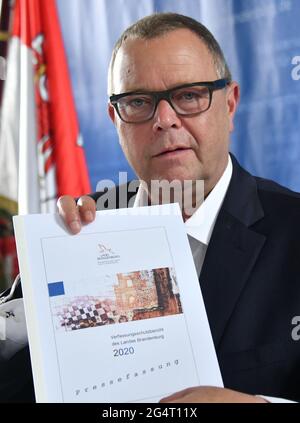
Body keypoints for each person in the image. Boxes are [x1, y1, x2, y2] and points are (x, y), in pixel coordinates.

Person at [2, 12, 300, 403]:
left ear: (229, 104)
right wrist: (47, 279)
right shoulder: (77, 230)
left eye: (189, 95)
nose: (164, 120)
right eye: (138, 102)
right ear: (115, 118)